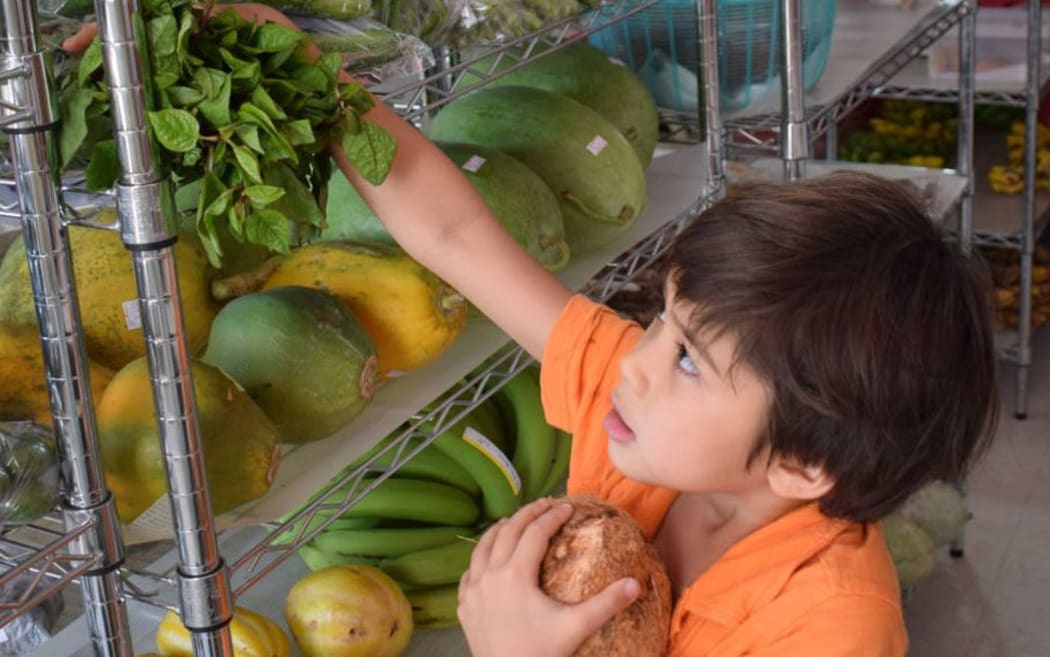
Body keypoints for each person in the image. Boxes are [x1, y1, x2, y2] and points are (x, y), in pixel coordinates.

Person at [67, 7, 1000, 656]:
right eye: (657, 318)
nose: (632, 360)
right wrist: (312, 81)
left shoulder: (831, 627)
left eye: (685, 357)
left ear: (802, 464)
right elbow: (456, 234)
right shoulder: (637, 417)